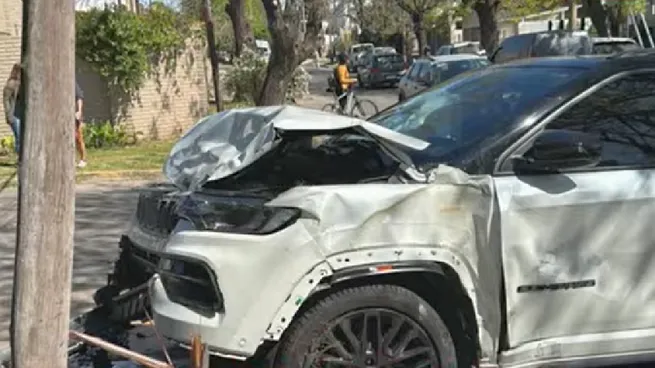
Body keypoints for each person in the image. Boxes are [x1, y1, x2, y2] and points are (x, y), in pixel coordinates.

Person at [3, 63, 21, 156]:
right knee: (19, 138)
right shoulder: (11, 84)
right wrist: (9, 116)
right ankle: (19, 158)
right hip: (14, 116)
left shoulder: (23, 84)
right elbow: (6, 101)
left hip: (21, 115)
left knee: (22, 138)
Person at [75, 81, 87, 168]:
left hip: (74, 114)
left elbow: (79, 97)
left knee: (78, 138)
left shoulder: (73, 83)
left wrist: (79, 111)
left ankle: (83, 159)